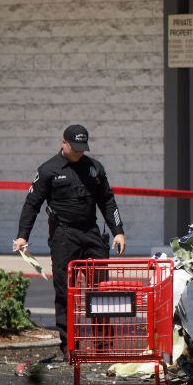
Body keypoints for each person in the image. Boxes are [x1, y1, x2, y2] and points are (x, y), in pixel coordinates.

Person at [13, 124, 126, 361]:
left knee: (100, 292)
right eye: (75, 148)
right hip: (63, 236)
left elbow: (108, 201)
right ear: (63, 143)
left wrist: (118, 231)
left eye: (82, 148)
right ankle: (69, 347)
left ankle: (103, 346)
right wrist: (23, 235)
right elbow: (31, 204)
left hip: (91, 234)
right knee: (65, 291)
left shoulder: (94, 168)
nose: (79, 153)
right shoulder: (48, 170)